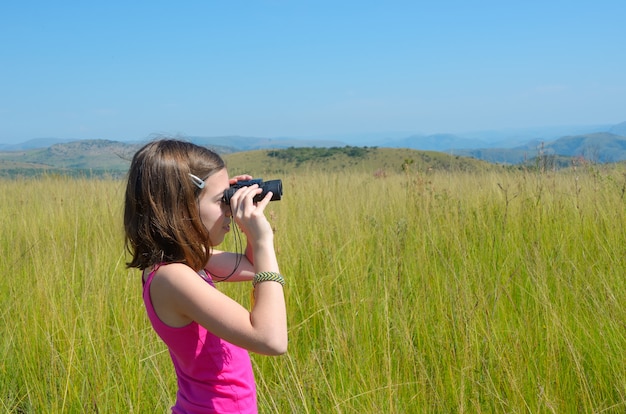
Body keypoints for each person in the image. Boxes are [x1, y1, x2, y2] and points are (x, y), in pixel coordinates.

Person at [123, 139, 287, 413]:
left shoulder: (184, 258)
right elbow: (271, 339)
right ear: (181, 207)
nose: (229, 208)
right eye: (221, 200)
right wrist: (263, 240)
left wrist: (244, 223)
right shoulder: (172, 278)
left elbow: (250, 266)